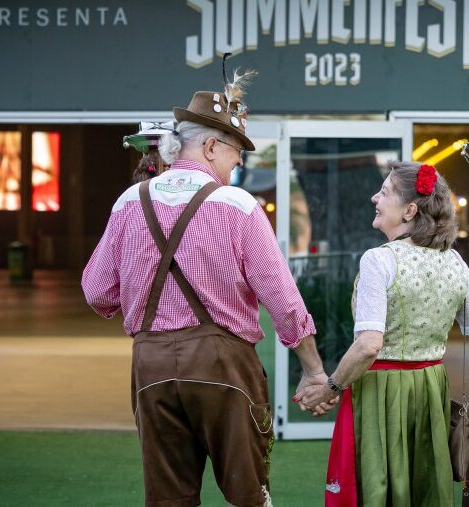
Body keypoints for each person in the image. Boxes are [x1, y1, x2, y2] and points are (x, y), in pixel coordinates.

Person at [82, 72, 332, 507]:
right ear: (212, 146)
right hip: (224, 366)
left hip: (151, 365)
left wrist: (144, 298)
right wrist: (313, 371)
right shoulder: (238, 206)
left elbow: (97, 290)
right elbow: (283, 301)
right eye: (236, 151)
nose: (238, 163)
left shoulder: (129, 201)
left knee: (168, 500)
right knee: (248, 495)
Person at [294, 161, 469, 506]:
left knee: (378, 487)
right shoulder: (455, 262)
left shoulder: (379, 260)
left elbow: (369, 345)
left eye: (385, 192)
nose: (375, 197)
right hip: (431, 389)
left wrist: (331, 387)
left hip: (381, 390)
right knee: (423, 486)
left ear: (410, 210)